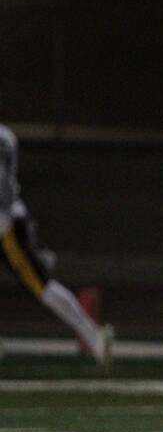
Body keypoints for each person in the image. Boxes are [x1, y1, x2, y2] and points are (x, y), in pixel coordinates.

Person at [1, 122, 113, 368]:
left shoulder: (3, 139)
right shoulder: (6, 136)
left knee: (41, 287)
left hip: (5, 225)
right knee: (42, 286)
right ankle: (92, 335)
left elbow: (2, 191)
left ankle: (92, 335)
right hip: (9, 218)